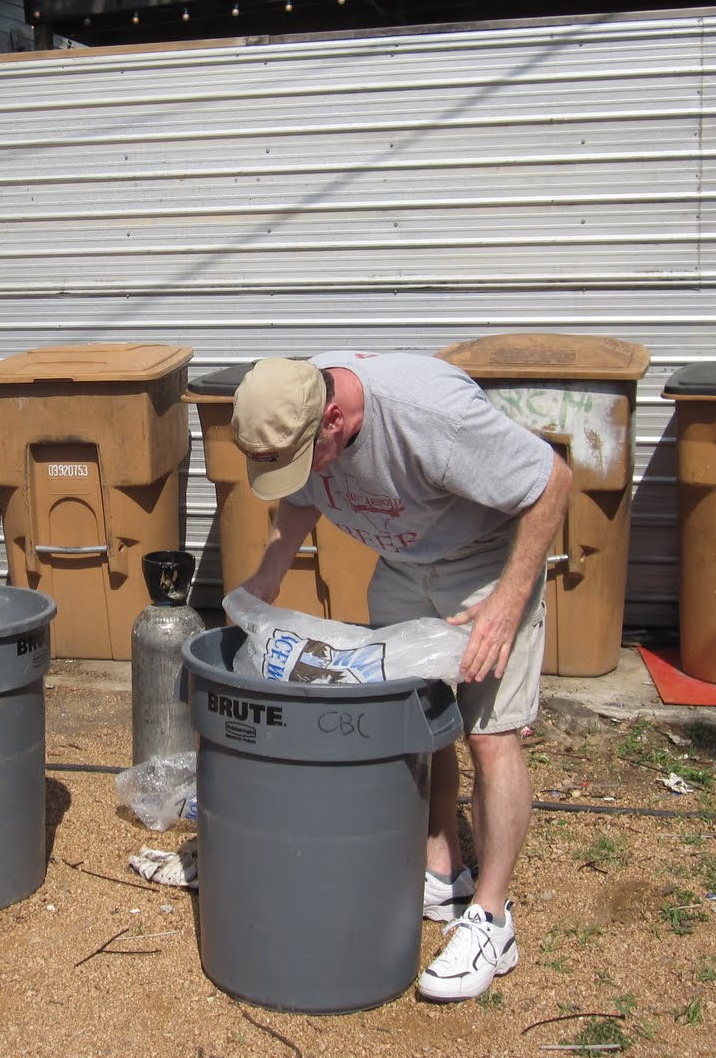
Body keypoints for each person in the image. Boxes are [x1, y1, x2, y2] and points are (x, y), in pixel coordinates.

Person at [231, 352, 571, 1002]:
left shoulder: (429, 415)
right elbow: (302, 495)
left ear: (335, 420)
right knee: (417, 721)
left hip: (486, 567)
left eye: (305, 457)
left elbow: (550, 480)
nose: (305, 473)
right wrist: (271, 571)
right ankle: (442, 870)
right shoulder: (296, 402)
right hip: (403, 565)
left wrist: (507, 602)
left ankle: (492, 920)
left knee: (490, 737)